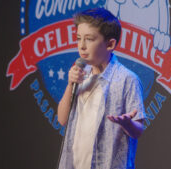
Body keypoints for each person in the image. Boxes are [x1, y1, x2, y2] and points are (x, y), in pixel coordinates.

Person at [57, 8, 147, 169]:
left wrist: (127, 124)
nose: (82, 46)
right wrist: (70, 84)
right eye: (78, 39)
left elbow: (138, 130)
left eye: (89, 39)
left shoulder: (127, 79)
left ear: (110, 44)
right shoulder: (81, 77)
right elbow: (62, 119)